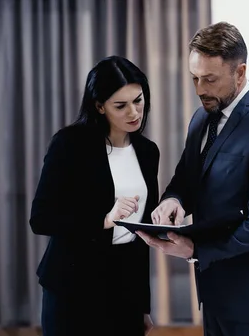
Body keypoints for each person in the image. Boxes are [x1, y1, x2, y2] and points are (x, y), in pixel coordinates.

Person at [137, 22, 249, 336]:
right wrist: (174, 199)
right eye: (195, 78)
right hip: (213, 294)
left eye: (209, 79)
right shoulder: (201, 118)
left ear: (240, 73)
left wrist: (195, 249)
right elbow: (186, 178)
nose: (199, 89)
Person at [29, 56, 158, 336]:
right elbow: (41, 219)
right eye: (120, 106)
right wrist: (104, 219)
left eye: (138, 100)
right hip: (74, 288)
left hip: (123, 290)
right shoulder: (69, 144)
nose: (134, 112)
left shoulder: (148, 152)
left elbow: (140, 240)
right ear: (100, 106)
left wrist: (143, 305)